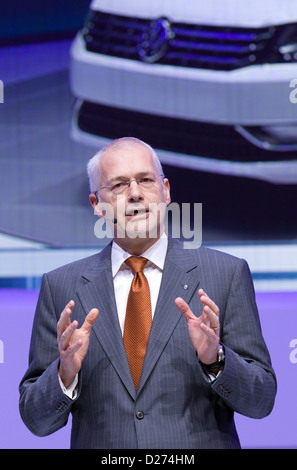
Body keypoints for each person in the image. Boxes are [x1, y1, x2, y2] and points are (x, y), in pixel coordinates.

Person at [19, 137, 276, 449]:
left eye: (145, 180)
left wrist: (216, 360)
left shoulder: (225, 274)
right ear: (96, 205)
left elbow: (261, 401)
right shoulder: (61, 287)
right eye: (118, 185)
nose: (136, 194)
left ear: (166, 191)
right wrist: (65, 372)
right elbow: (36, 420)